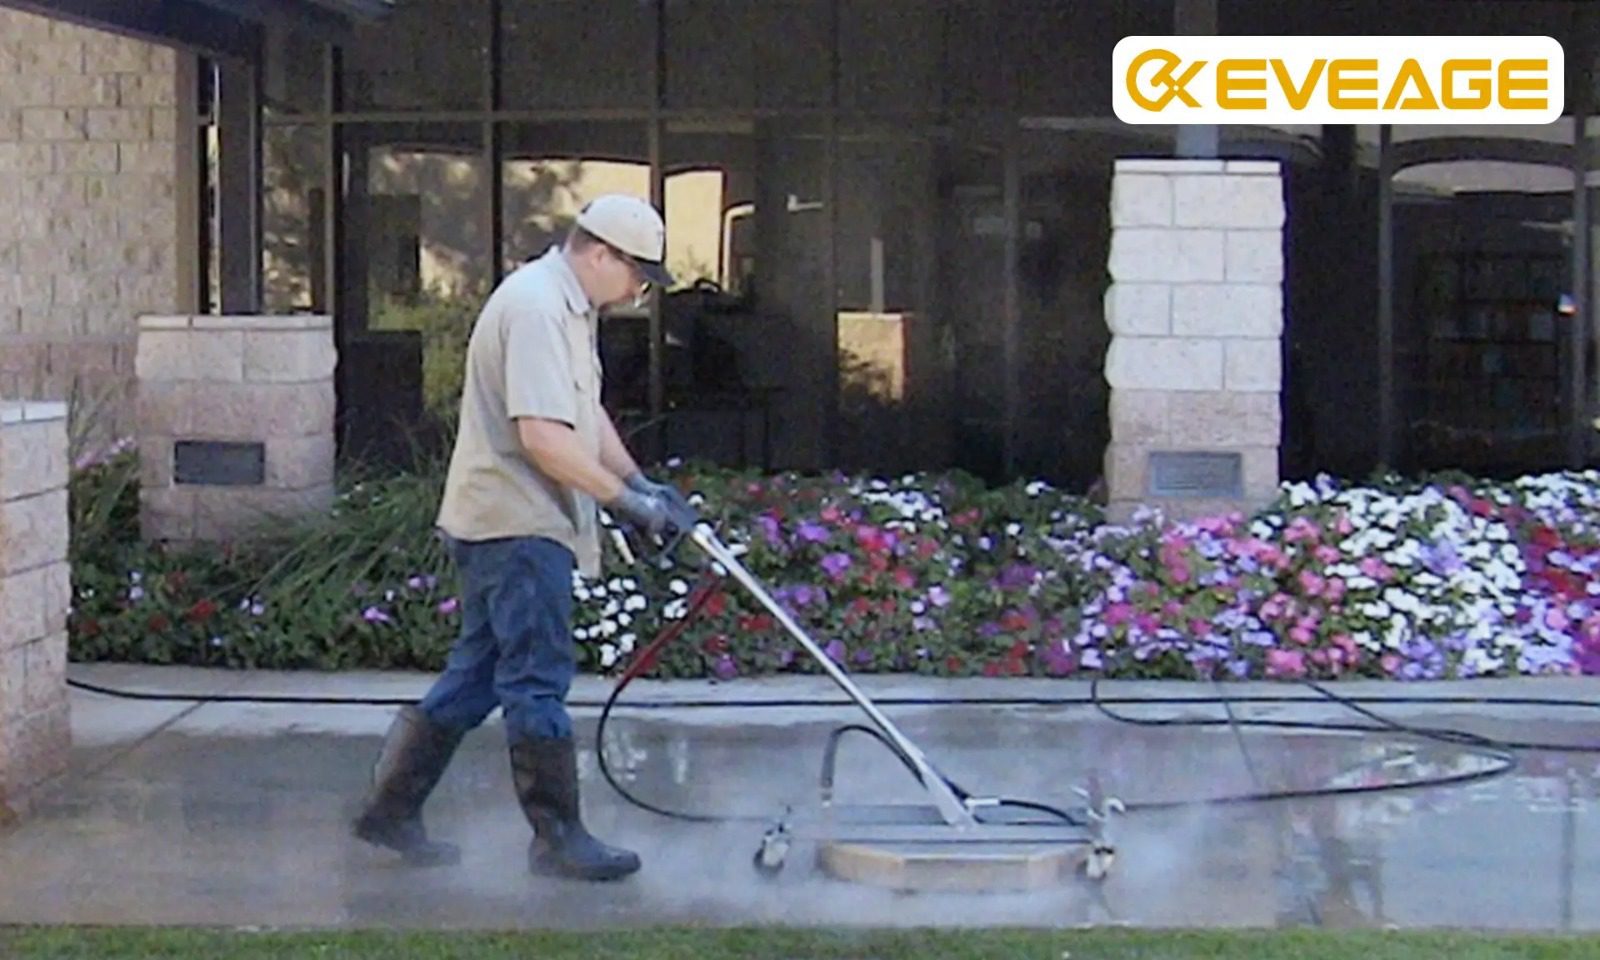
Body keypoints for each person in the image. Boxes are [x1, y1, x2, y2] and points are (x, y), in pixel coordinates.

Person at [351, 194, 698, 883]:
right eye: (637, 275)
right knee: (536, 678)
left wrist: (642, 483)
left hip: (511, 521)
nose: (637, 292)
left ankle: (390, 811)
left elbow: (583, 414)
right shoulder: (537, 307)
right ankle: (557, 839)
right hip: (516, 525)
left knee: (478, 673)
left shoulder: (569, 306)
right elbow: (543, 439)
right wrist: (626, 505)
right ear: (601, 254)